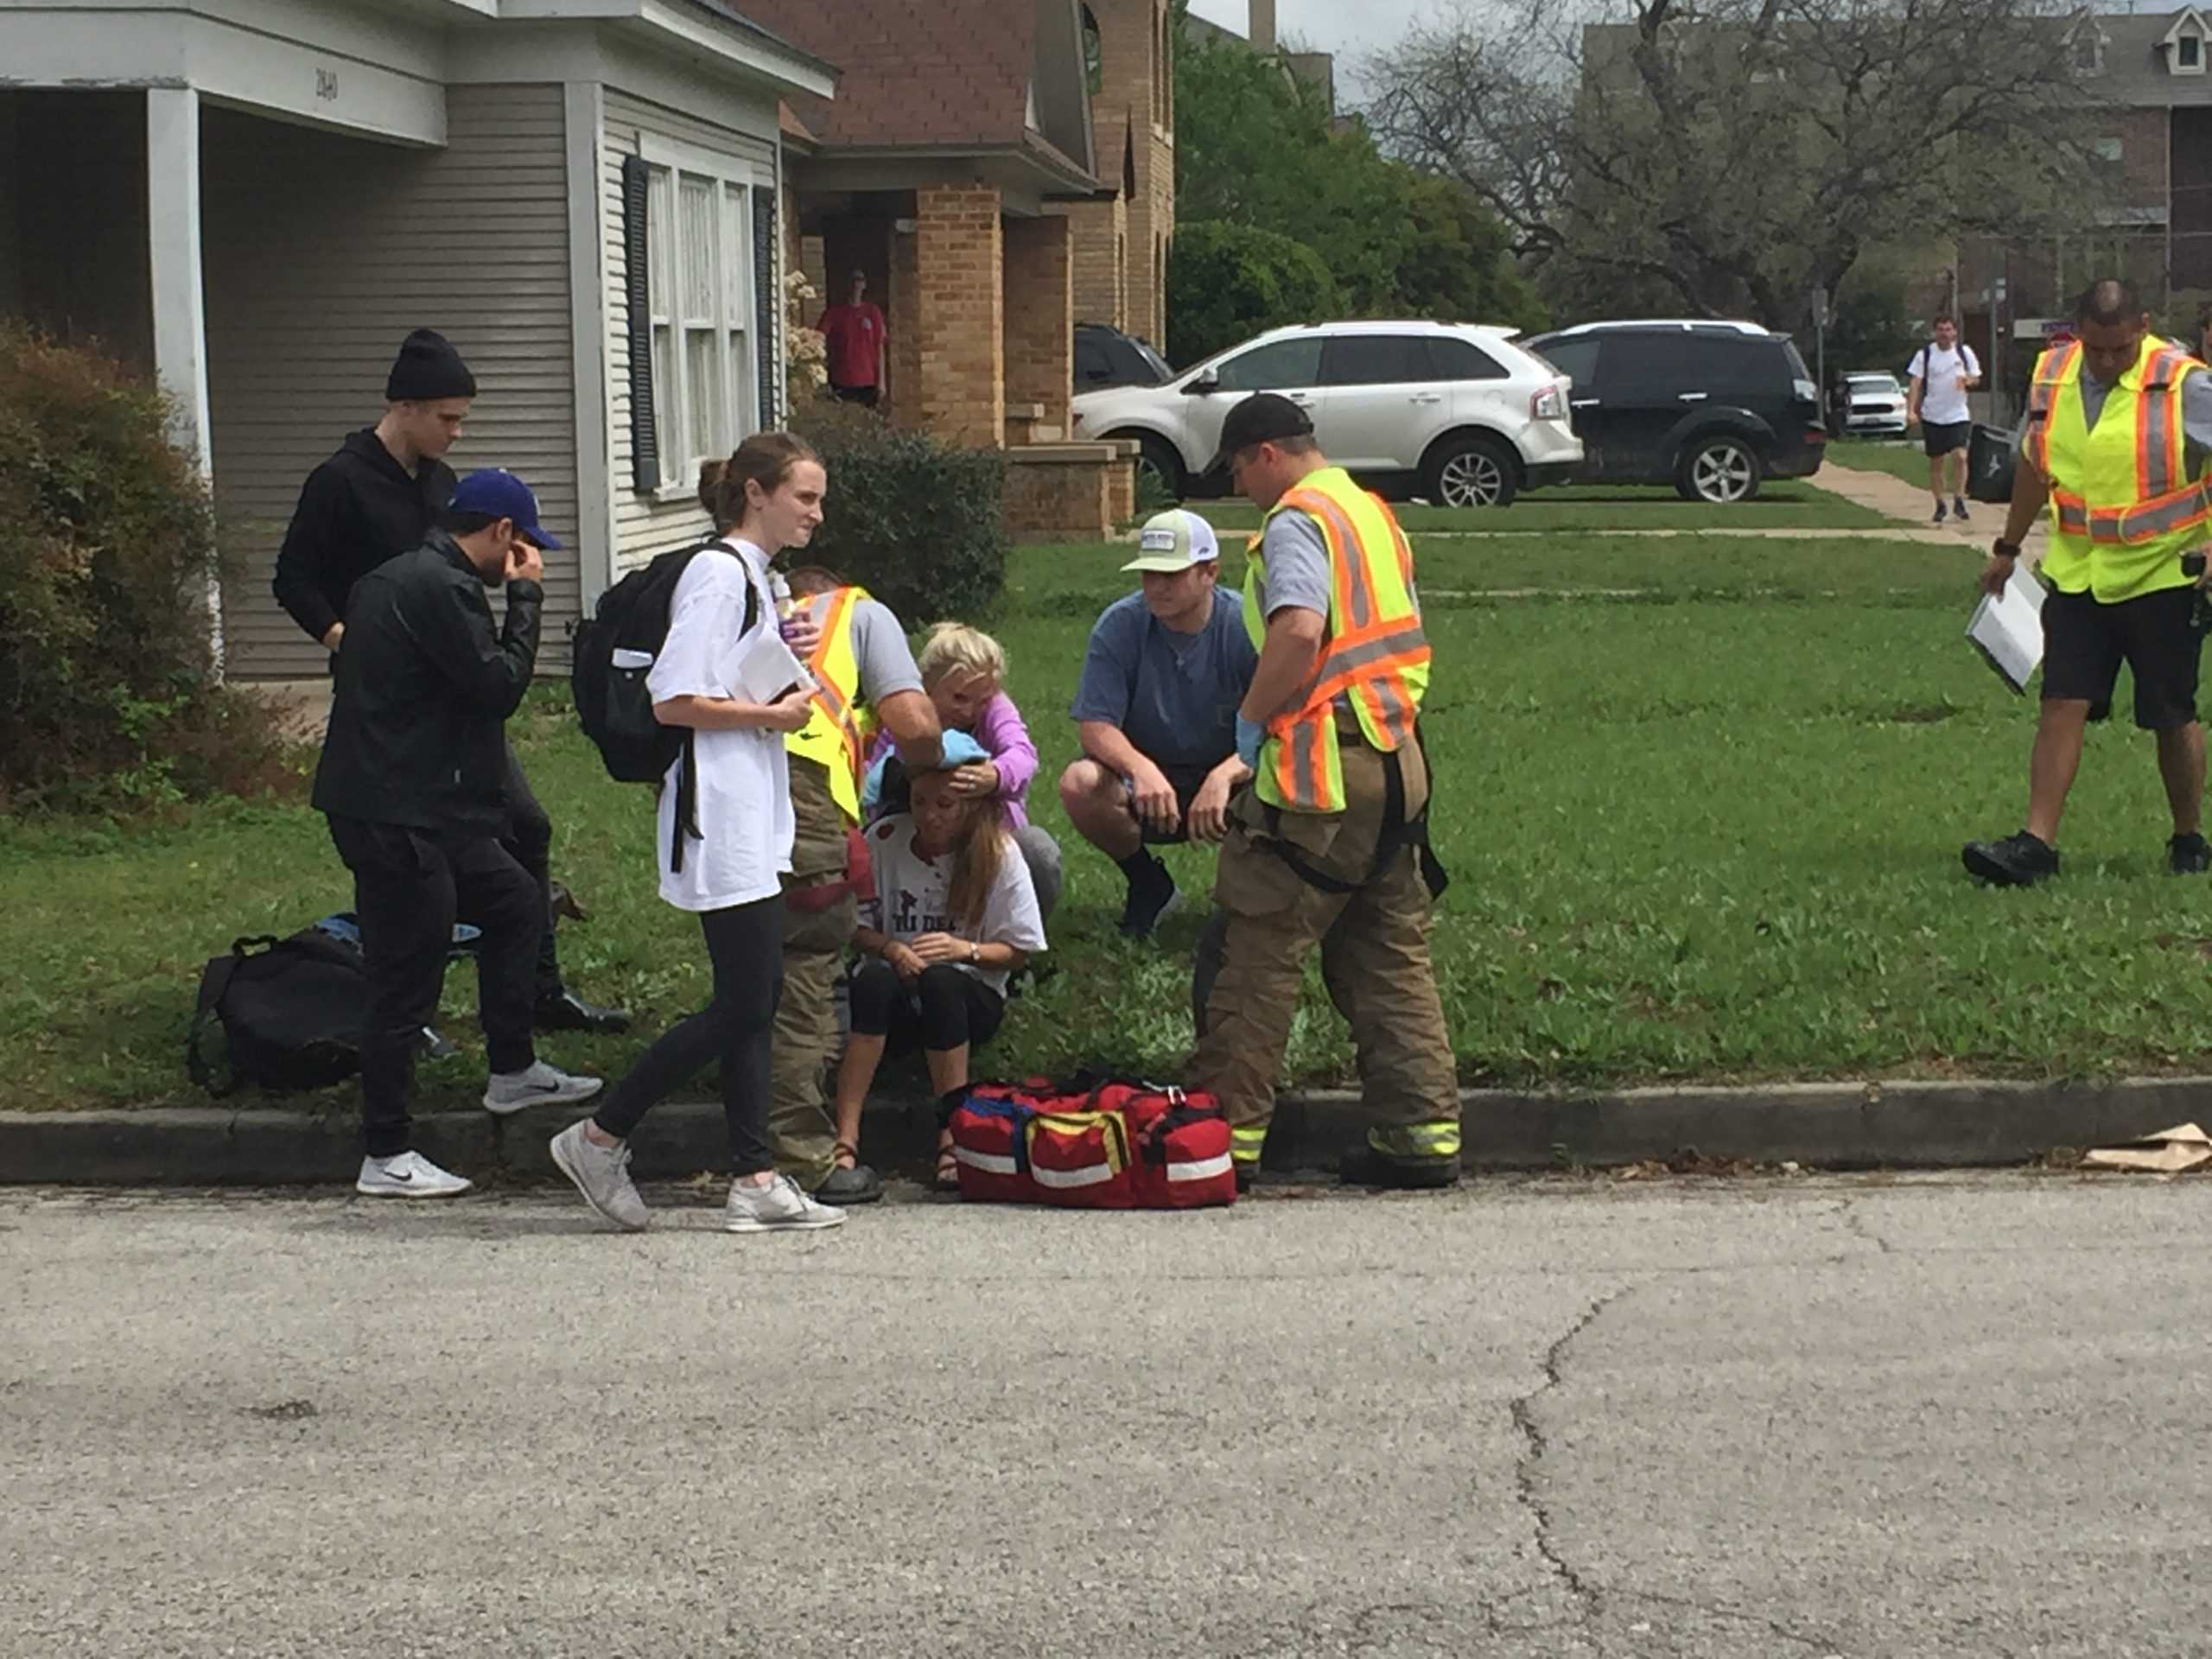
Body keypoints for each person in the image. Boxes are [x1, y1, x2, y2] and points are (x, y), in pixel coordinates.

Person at [275, 327, 628, 1038]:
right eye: (446, 417)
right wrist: (344, 637)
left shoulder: (443, 487)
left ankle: (537, 988)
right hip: (387, 704)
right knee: (396, 853)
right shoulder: (340, 482)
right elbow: (294, 579)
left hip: (459, 690)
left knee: (523, 824)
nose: (456, 431)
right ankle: (402, 1003)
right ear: (403, 406)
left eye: (462, 418)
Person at [546, 435, 849, 1234]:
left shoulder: (755, 576)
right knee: (746, 1001)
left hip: (747, 806)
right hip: (718, 811)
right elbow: (671, 698)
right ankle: (599, 1134)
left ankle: (753, 1176)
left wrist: (780, 670)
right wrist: (775, 712)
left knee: (753, 1001)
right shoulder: (719, 575)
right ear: (757, 493)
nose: (816, 512)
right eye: (805, 497)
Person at [1189, 394, 1460, 1193]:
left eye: (1238, 468)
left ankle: (1223, 1147)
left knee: (1258, 954)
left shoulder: (1298, 521)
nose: (1240, 487)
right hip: (1397, 762)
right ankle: (1421, 1138)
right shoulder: (1371, 513)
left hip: (1321, 772)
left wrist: (1249, 722)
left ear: (1266, 453)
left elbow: (1301, 630)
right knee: (1386, 954)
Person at [312, 469, 603, 1199]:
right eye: (527, 548)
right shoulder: (444, 589)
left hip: (418, 799)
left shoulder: (392, 578)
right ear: (503, 534)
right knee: (406, 975)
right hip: (393, 813)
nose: (529, 559)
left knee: (513, 901)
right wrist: (527, 597)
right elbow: (500, 686)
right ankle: (386, 1152)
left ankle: (512, 1071)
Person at [1964, 278, 2212, 887]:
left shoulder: (2185, 382)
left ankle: (2188, 837)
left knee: (2169, 714)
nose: (2106, 362)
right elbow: (2034, 463)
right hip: (2077, 577)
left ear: (2143, 327)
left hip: (2163, 575)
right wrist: (2008, 546)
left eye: (2119, 349)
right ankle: (2035, 845)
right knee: (2061, 703)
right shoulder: (2052, 376)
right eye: (2096, 349)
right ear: (2077, 333)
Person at [767, 564, 943, 1207]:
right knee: (805, 972)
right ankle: (803, 1160)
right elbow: (915, 726)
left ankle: (730, 1141)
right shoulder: (855, 615)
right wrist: (928, 765)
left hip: (713, 805)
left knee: (749, 974)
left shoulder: (742, 602)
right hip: (801, 798)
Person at [835, 766, 1048, 1192]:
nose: (930, 816)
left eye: (945, 805)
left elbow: (1020, 950)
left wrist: (963, 950)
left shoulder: (999, 852)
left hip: (967, 993)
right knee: (872, 981)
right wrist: (890, 948)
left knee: (942, 983)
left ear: (970, 807)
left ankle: (953, 1137)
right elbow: (848, 926)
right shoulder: (884, 840)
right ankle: (845, 1138)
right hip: (897, 986)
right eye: (920, 803)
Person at [1058, 508, 1261, 937]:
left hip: (1234, 779)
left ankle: (1258, 893)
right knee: (1080, 784)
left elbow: (1278, 725)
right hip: (1149, 785)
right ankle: (1147, 883)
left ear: (1210, 572)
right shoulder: (1120, 625)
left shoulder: (1245, 625)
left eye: (1171, 575)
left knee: (1290, 780)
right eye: (1149, 574)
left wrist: (1225, 774)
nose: (1156, 586)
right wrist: (1140, 768)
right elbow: (1095, 725)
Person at [868, 623, 1062, 921]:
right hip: (916, 834)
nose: (970, 711)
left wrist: (995, 776)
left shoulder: (996, 709)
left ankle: (1018, 942)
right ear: (928, 687)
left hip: (988, 835)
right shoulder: (907, 713)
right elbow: (874, 779)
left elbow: (1023, 754)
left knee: (1038, 852)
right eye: (959, 698)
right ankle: (878, 932)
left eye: (982, 700)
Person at [1906, 315, 1983, 525]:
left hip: (1957, 414)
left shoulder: (1963, 353)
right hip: (1933, 414)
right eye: (1940, 329)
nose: (1944, 334)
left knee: (1960, 456)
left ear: (1955, 332)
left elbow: (1976, 377)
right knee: (1936, 461)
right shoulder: (1925, 355)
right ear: (1934, 332)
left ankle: (1959, 497)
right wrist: (1911, 410)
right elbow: (1915, 382)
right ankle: (1940, 503)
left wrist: (1969, 380)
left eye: (1948, 329)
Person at [817, 269, 888, 408]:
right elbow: (818, 339)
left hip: (868, 380)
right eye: (853, 280)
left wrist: (882, 381)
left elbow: (879, 346)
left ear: (864, 285)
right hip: (841, 378)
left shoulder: (872, 312)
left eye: (860, 280)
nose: (856, 284)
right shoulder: (834, 313)